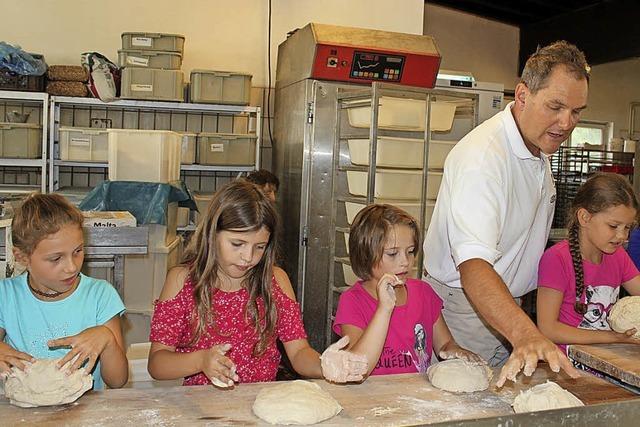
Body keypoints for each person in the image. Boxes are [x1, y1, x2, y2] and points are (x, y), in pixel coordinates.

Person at [423, 40, 590, 387]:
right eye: (556, 107)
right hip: (467, 308)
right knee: (469, 409)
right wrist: (524, 333)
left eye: (576, 112)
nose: (566, 122)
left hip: (507, 303)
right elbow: (473, 267)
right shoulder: (484, 160)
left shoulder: (538, 145)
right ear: (523, 95)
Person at [147, 180, 367, 386]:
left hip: (261, 402)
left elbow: (299, 352)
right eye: (237, 244)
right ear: (212, 234)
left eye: (259, 247)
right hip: (200, 408)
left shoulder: (275, 281)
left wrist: (323, 365)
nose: (248, 257)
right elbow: (157, 364)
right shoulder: (183, 280)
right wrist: (201, 360)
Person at [333, 204, 482, 376]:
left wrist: (456, 351)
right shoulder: (352, 301)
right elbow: (357, 368)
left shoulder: (423, 293)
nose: (405, 261)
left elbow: (445, 344)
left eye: (410, 251)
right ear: (365, 255)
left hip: (415, 396)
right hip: (372, 398)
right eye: (392, 253)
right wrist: (384, 309)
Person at [0, 193, 128, 389]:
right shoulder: (5, 296)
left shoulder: (100, 296)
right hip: (22, 414)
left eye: (78, 251)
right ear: (22, 257)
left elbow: (117, 381)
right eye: (56, 259)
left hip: (84, 413)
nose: (71, 267)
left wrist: (107, 338)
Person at [537, 173, 640, 354]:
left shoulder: (618, 256)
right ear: (584, 217)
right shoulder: (557, 259)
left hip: (605, 360)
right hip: (566, 366)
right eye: (613, 226)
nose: (623, 236)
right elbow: (548, 329)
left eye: (627, 228)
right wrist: (613, 337)